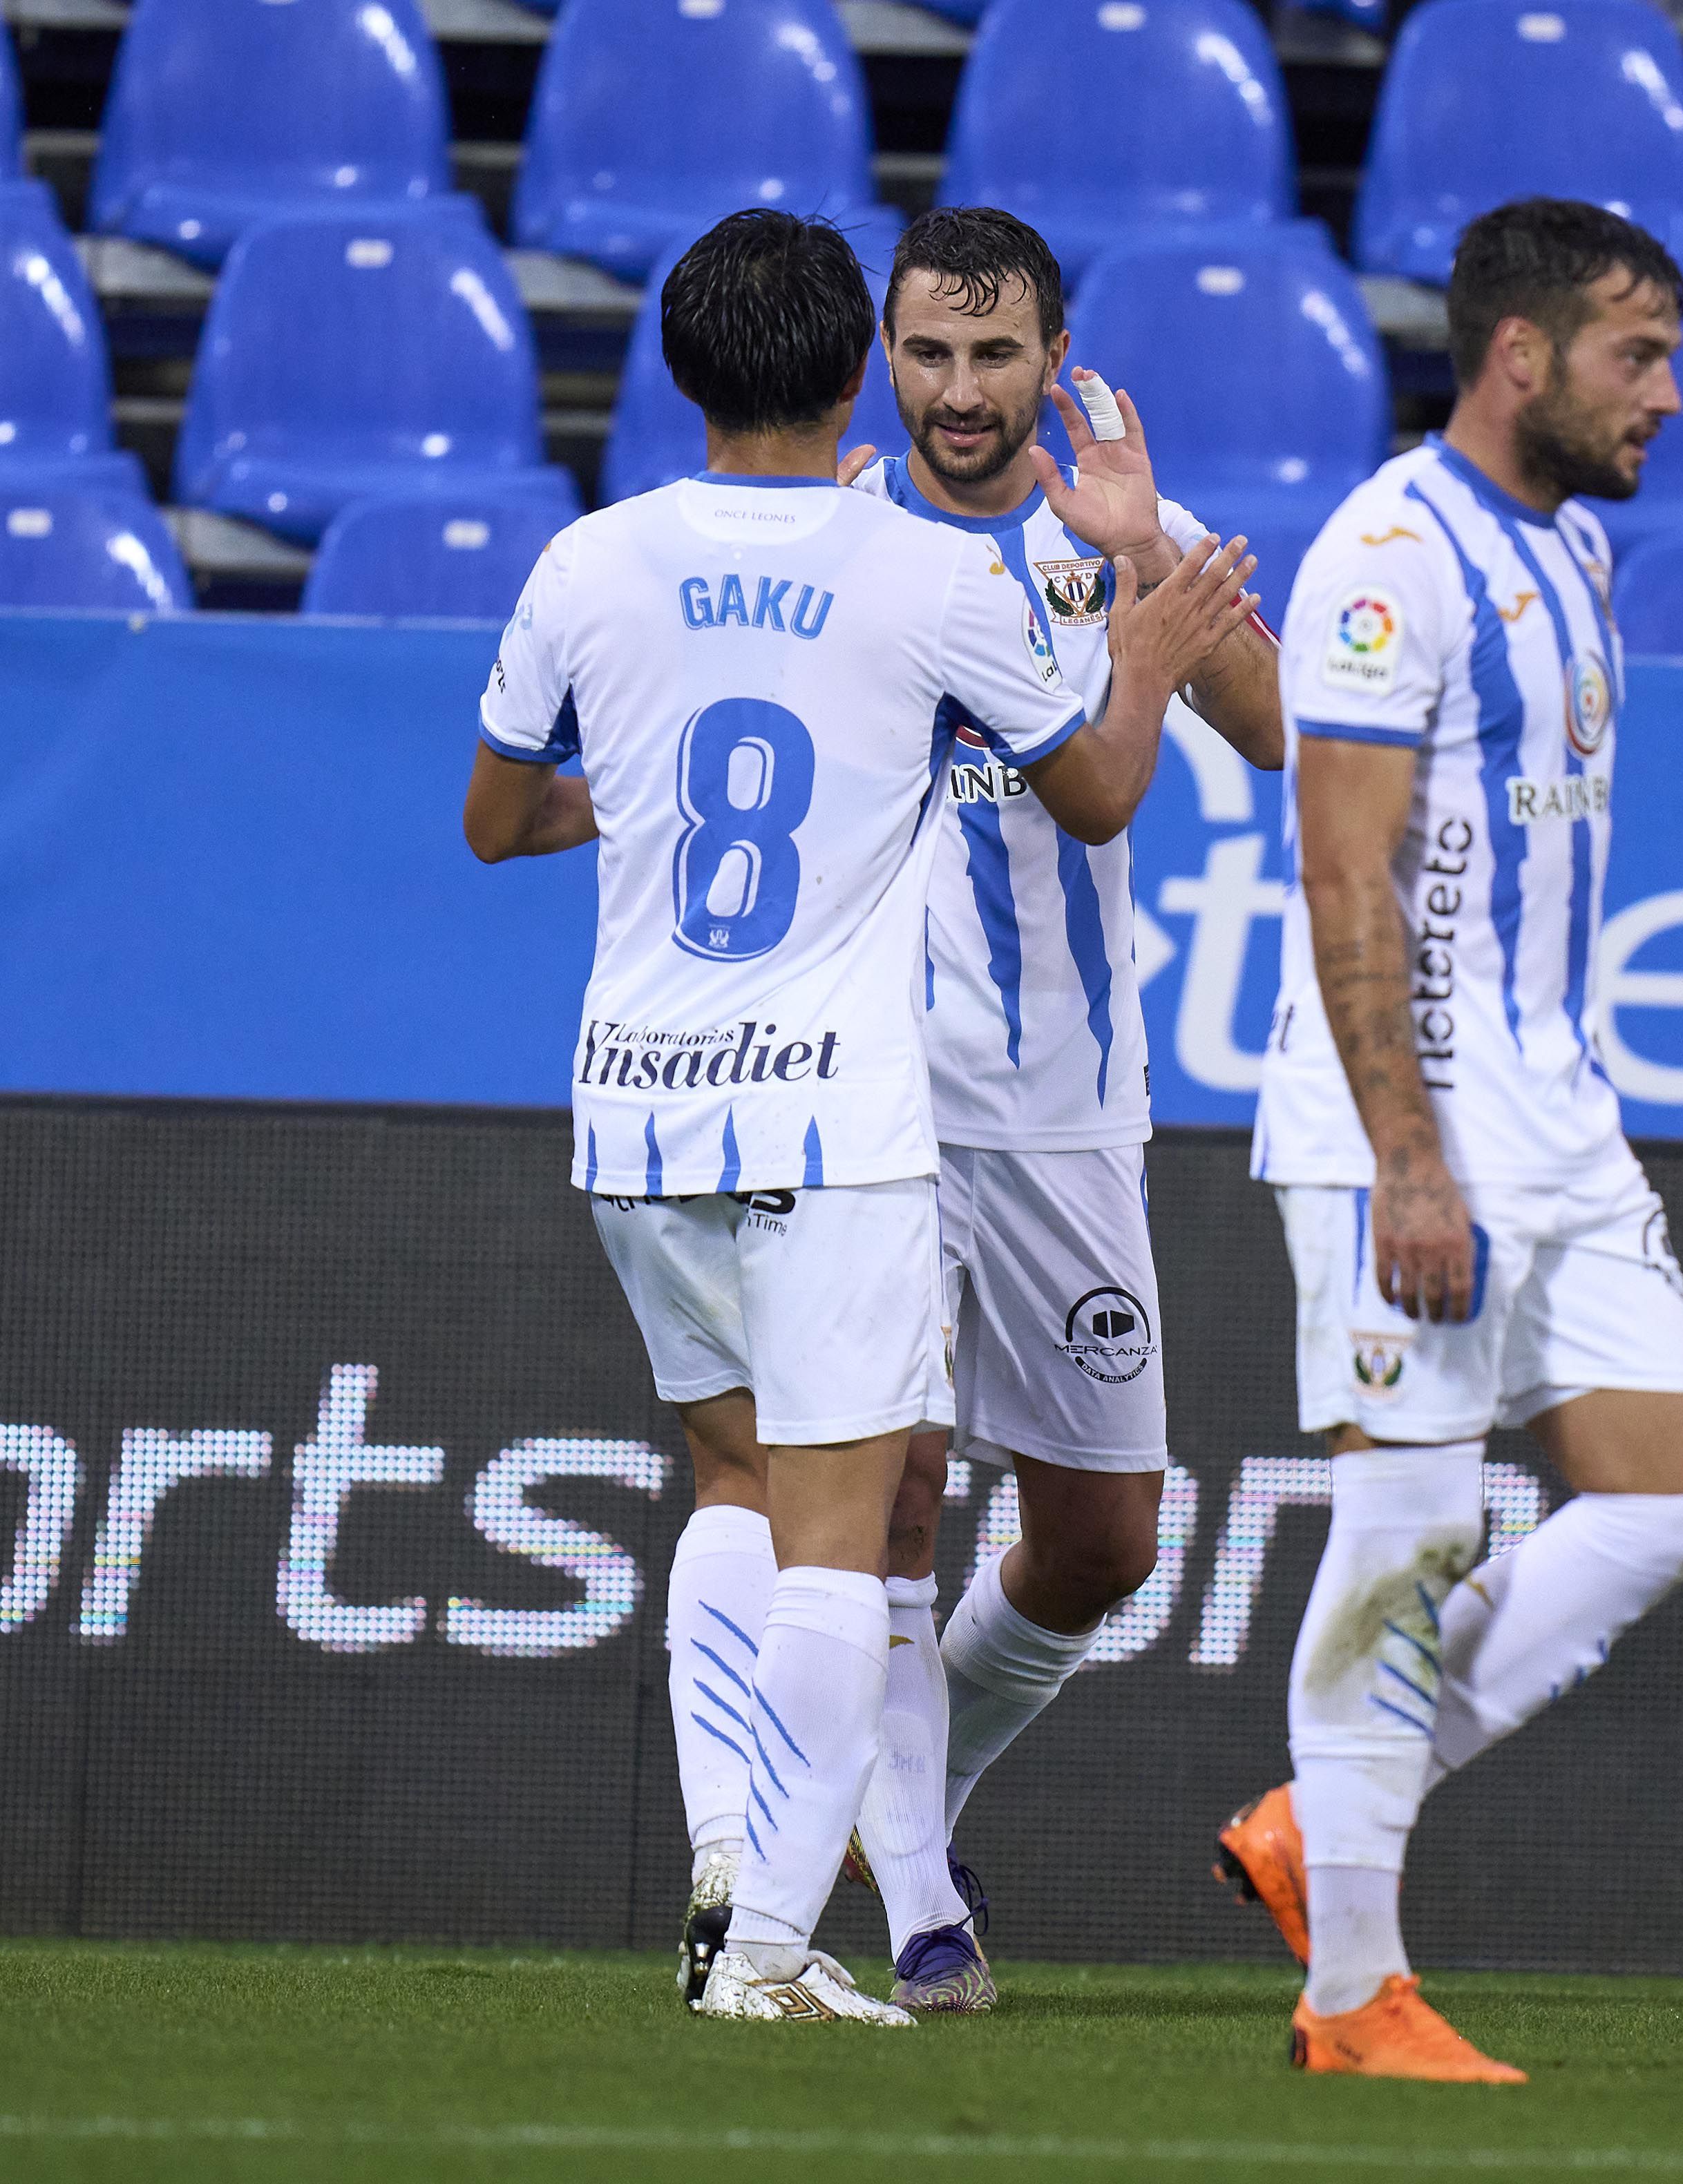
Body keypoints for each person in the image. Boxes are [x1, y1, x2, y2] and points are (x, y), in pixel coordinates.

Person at [462, 207, 1253, 2027]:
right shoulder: (919, 578)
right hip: (840, 1111)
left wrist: (640, 802)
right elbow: (1108, 788)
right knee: (843, 1525)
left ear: (677, 367)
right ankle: (777, 1944)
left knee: (735, 1489)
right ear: (859, 376)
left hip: (643, 1104)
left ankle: (734, 1855)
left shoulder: (589, 557)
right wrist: (1143, 648)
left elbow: (495, 821)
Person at [1211, 198, 1683, 2084]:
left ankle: (1317, 1818)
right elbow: (1342, 874)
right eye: (1636, 356)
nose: (1670, 394)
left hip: (1563, 1121)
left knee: (1667, 1505)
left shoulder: (1578, 547)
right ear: (1521, 355)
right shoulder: (1391, 555)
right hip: (1403, 1133)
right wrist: (1406, 1159)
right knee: (1410, 1531)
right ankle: (1354, 1992)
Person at [813, 204, 1283, 2010]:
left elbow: (1276, 728)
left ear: (1048, 361)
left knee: (1103, 1544)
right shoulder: (842, 545)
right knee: (905, 1491)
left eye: (992, 354)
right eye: (927, 351)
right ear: (886, 354)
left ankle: (914, 1798)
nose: (956, 388)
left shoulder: (1114, 533)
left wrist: (1147, 560)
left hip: (1073, 1105)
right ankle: (926, 1907)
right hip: (878, 1101)